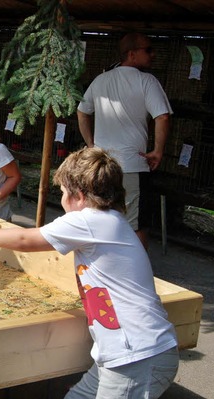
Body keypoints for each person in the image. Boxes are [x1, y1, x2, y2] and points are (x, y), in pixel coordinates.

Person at [0, 148, 179, 399]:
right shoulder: (109, 221)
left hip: (137, 355)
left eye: (62, 192)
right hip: (124, 355)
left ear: (78, 196)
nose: (61, 199)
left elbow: (30, 239)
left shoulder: (91, 220)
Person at [77, 32, 172, 250]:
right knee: (134, 223)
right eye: (148, 50)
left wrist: (91, 145)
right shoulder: (146, 81)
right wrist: (158, 150)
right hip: (131, 165)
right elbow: (163, 116)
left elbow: (82, 112)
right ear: (131, 54)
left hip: (100, 165)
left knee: (100, 213)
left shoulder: (101, 80)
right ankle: (135, 270)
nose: (153, 54)